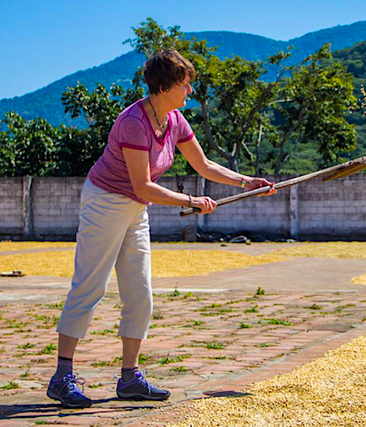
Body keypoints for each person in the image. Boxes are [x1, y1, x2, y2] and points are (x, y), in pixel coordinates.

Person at [46, 49, 276, 408]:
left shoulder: (174, 120)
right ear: (164, 85)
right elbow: (143, 186)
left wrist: (245, 181)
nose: (189, 92)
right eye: (185, 85)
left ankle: (130, 377)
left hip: (135, 208)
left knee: (140, 292)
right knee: (89, 287)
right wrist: (191, 202)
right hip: (105, 200)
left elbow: (203, 165)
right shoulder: (133, 122)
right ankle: (62, 377)